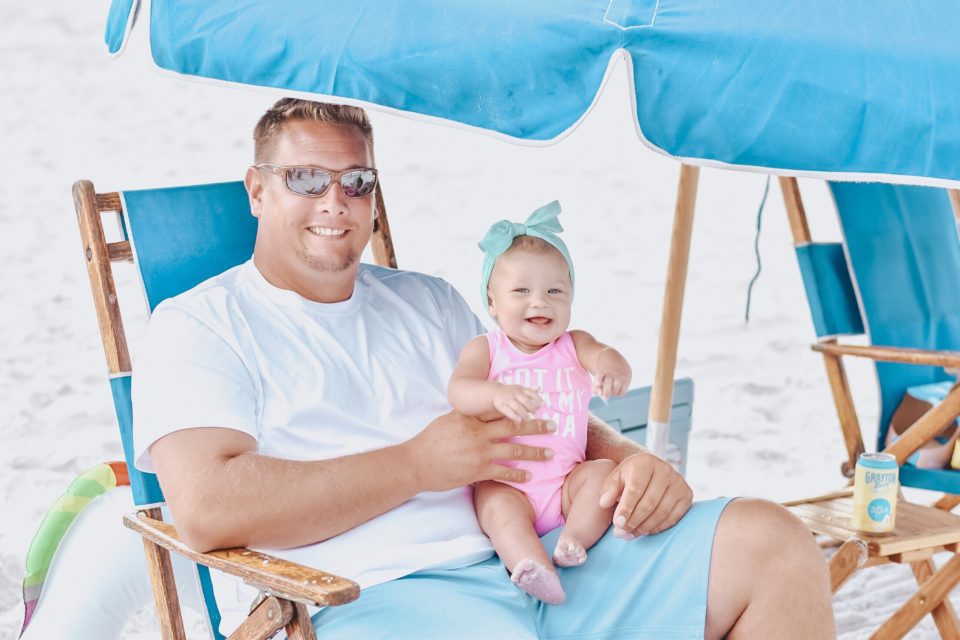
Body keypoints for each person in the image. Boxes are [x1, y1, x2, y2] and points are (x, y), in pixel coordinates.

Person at [133, 97, 835, 638]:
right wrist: (415, 465)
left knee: (772, 545)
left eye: (357, 181)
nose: (334, 201)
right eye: (306, 178)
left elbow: (538, 412)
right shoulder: (200, 325)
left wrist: (624, 459)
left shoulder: (429, 302)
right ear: (257, 189)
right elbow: (206, 510)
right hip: (374, 598)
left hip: (542, 556)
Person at [447, 203, 630, 604]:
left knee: (602, 475)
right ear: (492, 304)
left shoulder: (574, 344)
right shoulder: (488, 348)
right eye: (521, 291)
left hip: (567, 482)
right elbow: (459, 391)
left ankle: (573, 541)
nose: (539, 302)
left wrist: (612, 367)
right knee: (494, 506)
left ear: (570, 299)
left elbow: (604, 355)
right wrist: (495, 395)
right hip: (509, 482)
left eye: (554, 291)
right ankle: (531, 566)